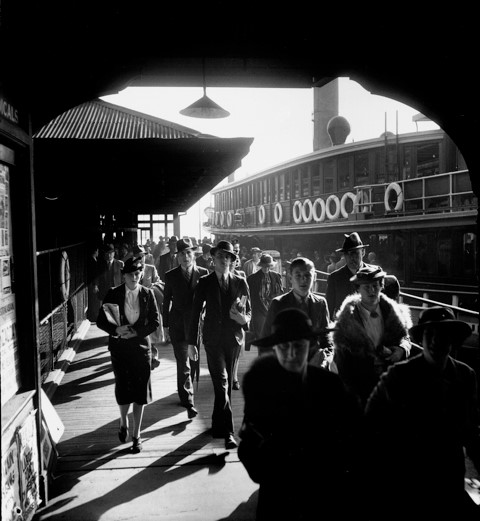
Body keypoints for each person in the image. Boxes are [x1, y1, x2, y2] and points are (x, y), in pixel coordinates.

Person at [238, 308, 362, 521]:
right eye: (284, 347)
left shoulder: (331, 387)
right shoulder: (260, 387)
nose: (292, 354)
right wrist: (268, 470)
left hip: (323, 493)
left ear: (311, 347)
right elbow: (249, 443)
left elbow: (354, 438)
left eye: (298, 346)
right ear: (275, 349)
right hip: (279, 494)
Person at [364, 306, 480, 519]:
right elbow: (371, 427)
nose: (436, 341)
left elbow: (471, 432)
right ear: (422, 338)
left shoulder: (465, 376)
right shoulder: (399, 377)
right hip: (408, 485)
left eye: (443, 335)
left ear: (452, 341)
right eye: (430, 334)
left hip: (449, 481)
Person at [187, 240, 251, 449]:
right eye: (220, 257)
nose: (224, 261)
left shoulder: (240, 282)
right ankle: (229, 433)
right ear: (212, 259)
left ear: (232, 261)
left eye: (228, 257)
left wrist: (244, 321)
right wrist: (191, 343)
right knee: (222, 383)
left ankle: (217, 424)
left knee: (222, 387)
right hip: (212, 340)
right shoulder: (204, 282)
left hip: (233, 340)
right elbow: (195, 313)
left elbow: (248, 313)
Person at [96, 257, 160, 454]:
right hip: (120, 348)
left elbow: (155, 321)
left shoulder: (148, 294)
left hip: (141, 348)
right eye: (131, 273)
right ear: (124, 275)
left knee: (141, 392)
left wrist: (137, 332)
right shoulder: (113, 294)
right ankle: (123, 421)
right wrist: (117, 330)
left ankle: (136, 435)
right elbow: (100, 321)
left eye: (138, 273)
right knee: (123, 388)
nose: (135, 276)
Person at [332, 265, 411, 407]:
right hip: (361, 385)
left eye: (375, 285)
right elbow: (342, 362)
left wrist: (402, 349)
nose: (372, 290)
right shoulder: (346, 321)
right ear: (358, 290)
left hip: (390, 382)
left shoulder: (393, 313)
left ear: (381, 286)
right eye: (366, 287)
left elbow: (405, 336)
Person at [162, 238, 209, 418]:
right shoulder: (171, 275)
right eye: (181, 254)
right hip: (177, 325)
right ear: (177, 257)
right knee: (183, 363)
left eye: (188, 253)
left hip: (197, 326)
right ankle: (188, 401)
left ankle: (187, 391)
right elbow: (166, 301)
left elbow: (208, 299)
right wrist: (165, 325)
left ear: (194, 255)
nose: (185, 256)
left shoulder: (203, 273)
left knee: (194, 360)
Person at [260, 257, 332, 365]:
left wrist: (324, 358)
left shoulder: (320, 303)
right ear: (290, 278)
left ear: (314, 277)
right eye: (298, 275)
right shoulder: (278, 304)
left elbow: (327, 340)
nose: (303, 280)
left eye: (307, 275)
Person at [325, 232, 372, 318]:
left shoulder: (374, 274)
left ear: (363, 252)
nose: (351, 258)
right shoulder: (335, 278)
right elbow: (328, 309)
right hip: (345, 328)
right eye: (347, 254)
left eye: (355, 253)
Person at [132, 245, 165, 347]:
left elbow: (159, 282)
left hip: (149, 304)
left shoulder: (151, 268)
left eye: (142, 256)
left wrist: (152, 286)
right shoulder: (130, 269)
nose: (141, 258)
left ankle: (153, 354)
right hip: (135, 304)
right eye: (138, 256)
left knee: (152, 328)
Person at [247, 253, 284, 342]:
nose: (266, 269)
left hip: (272, 308)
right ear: (261, 266)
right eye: (264, 266)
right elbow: (249, 296)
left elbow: (280, 292)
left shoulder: (276, 276)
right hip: (258, 309)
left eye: (268, 266)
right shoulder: (252, 278)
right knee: (261, 335)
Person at [87, 243, 101, 322]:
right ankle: (94, 317)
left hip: (92, 284)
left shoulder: (93, 260)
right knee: (94, 301)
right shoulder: (93, 261)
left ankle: (94, 316)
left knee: (94, 301)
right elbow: (95, 275)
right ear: (95, 251)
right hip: (92, 284)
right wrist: (95, 285)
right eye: (97, 251)